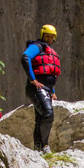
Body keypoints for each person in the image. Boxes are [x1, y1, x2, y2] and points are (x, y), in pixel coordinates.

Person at [21, 24, 61, 154]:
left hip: (46, 89)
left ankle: (37, 150)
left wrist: (52, 91)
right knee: (48, 114)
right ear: (42, 35)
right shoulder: (37, 46)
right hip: (36, 87)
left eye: (51, 37)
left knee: (40, 119)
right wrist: (33, 79)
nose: (49, 39)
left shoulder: (49, 51)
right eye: (47, 36)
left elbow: (49, 74)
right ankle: (45, 146)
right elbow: (25, 57)